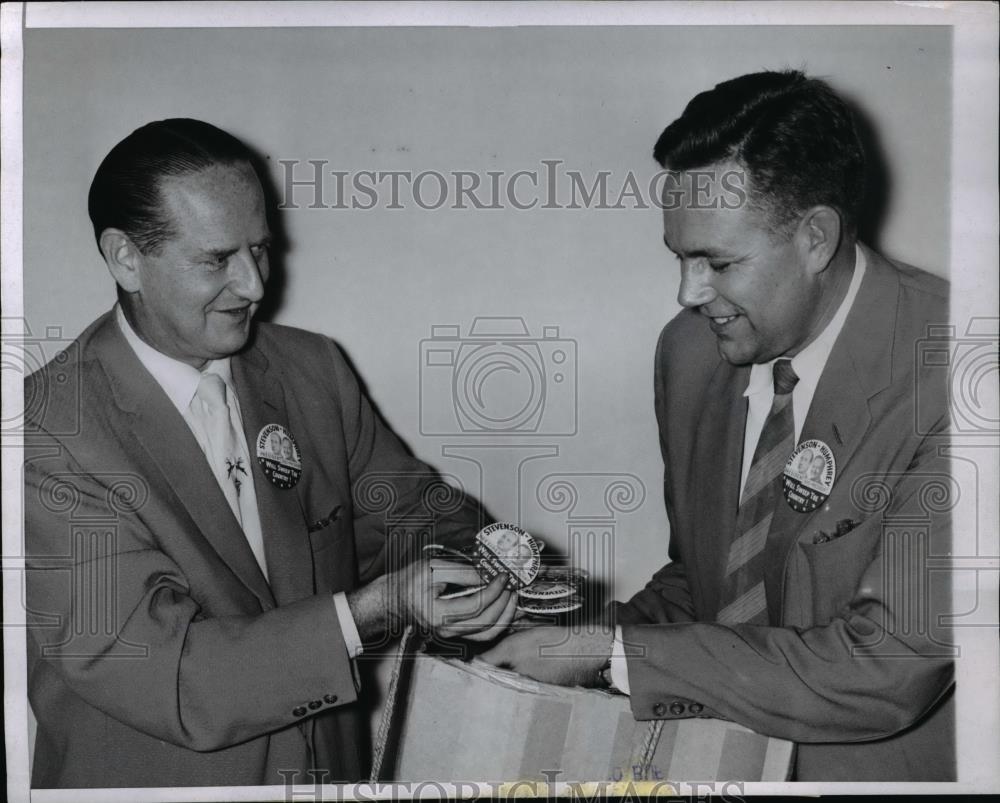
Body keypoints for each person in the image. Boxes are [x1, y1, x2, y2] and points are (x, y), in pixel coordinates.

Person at [483, 70, 954, 781]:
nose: (688, 292)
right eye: (681, 257)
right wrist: (569, 640)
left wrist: (613, 657)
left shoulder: (958, 369)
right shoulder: (690, 353)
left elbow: (887, 667)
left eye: (720, 262)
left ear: (816, 238)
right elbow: (707, 581)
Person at [23, 119, 517, 788]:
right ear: (125, 258)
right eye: (217, 259)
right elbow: (169, 671)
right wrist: (369, 611)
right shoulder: (48, 431)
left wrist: (483, 565)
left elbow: (417, 517)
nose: (254, 285)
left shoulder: (314, 370)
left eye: (259, 249)